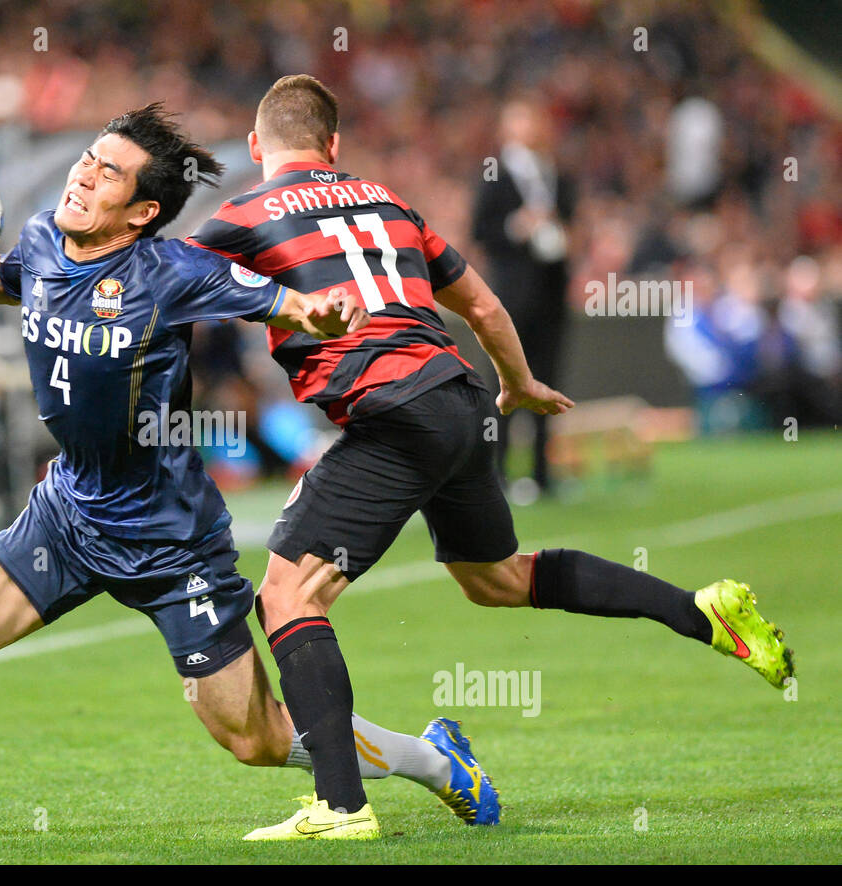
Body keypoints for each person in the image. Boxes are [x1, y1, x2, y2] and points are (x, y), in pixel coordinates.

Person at [0, 105, 449, 846]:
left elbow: (284, 303)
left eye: (109, 172)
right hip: (68, 512)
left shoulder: (173, 271)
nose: (84, 173)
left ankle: (430, 758)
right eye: (89, 158)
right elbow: (6, 278)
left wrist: (320, 312)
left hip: (170, 540)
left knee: (255, 738)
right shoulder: (42, 236)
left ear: (142, 212)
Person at [187, 75, 795, 841]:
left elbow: (162, 279)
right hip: (460, 396)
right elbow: (481, 305)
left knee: (287, 595)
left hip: (392, 412)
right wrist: (521, 383)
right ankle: (700, 609)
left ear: (255, 148)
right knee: (497, 580)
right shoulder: (387, 200)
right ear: (334, 146)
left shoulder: (244, 212)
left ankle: (340, 806)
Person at [470, 96, 575, 499]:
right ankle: (495, 474)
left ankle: (542, 473)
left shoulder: (556, 175)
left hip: (550, 292)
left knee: (549, 379)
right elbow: (482, 231)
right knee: (505, 382)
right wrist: (517, 227)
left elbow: (571, 223)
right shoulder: (494, 175)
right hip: (511, 296)